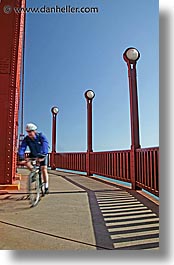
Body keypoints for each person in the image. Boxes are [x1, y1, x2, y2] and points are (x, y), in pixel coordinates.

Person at [18, 123, 50, 194]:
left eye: (30, 131)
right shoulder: (27, 139)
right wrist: (21, 156)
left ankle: (46, 186)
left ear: (34, 131)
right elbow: (22, 147)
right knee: (26, 162)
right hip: (33, 154)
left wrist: (43, 154)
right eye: (28, 132)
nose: (29, 133)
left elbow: (45, 145)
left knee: (44, 169)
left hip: (42, 154)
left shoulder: (41, 136)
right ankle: (34, 172)